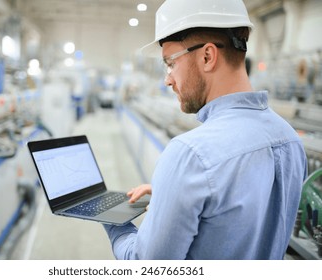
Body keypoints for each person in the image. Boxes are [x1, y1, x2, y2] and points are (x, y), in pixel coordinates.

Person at [103, 0, 308, 259]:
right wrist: (176, 195)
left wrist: (112, 220)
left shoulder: (191, 155)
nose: (167, 79)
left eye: (170, 63)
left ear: (207, 56)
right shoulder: (289, 140)